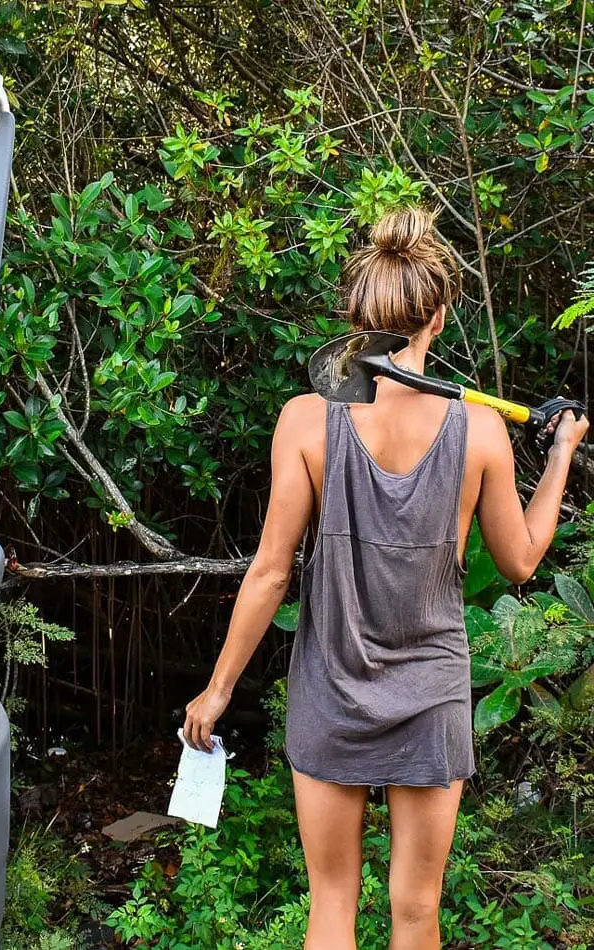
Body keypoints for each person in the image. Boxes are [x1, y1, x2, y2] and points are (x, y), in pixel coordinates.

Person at [182, 206, 589, 950]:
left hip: (331, 690)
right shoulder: (483, 431)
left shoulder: (306, 421)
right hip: (431, 695)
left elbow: (272, 572)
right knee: (416, 912)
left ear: (357, 318)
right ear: (438, 316)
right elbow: (523, 560)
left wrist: (218, 688)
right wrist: (559, 455)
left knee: (332, 903)